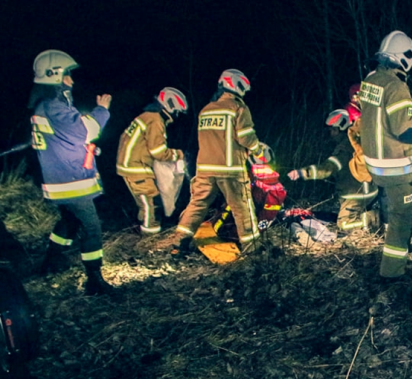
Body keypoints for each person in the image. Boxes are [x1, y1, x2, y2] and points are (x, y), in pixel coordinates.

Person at [30, 49, 114, 295]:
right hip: (71, 182)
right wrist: (102, 110)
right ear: (55, 76)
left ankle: (50, 261)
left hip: (59, 181)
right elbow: (85, 129)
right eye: (68, 75)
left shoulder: (45, 106)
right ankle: (94, 280)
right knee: (92, 227)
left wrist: (85, 149)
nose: (72, 80)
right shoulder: (53, 105)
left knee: (69, 221)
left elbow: (64, 140)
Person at [359, 30, 412, 278]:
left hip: (375, 164)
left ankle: (397, 255)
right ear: (404, 58)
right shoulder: (396, 86)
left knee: (394, 211)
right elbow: (407, 131)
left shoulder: (370, 81)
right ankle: (392, 271)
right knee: (404, 217)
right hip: (395, 167)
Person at [172, 69, 266, 252]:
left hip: (205, 169)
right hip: (230, 170)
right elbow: (246, 138)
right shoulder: (238, 108)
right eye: (244, 89)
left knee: (197, 204)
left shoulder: (206, 110)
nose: (245, 94)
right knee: (242, 207)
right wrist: (258, 150)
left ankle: (179, 241)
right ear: (237, 86)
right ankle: (252, 247)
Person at [287, 109, 378, 231]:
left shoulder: (344, 151)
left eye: (332, 130)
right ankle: (371, 215)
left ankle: (376, 219)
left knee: (344, 225)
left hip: (356, 195)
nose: (331, 133)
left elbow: (327, 169)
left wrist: (302, 173)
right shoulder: (356, 143)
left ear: (338, 129)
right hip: (368, 190)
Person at [116, 87, 187, 235]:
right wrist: (179, 154)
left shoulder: (147, 116)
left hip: (132, 166)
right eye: (177, 111)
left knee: (145, 204)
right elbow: (158, 152)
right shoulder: (155, 120)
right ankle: (150, 239)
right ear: (170, 106)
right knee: (150, 204)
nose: (175, 116)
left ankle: (145, 232)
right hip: (136, 168)